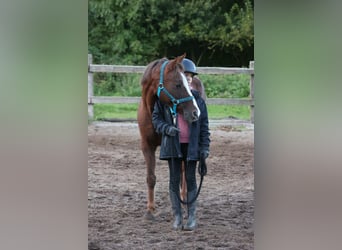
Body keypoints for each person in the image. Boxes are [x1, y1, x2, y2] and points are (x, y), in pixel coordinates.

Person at [152, 58, 210, 231]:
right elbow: (156, 120)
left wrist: (204, 147)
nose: (188, 77)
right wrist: (167, 129)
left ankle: (191, 217)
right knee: (174, 180)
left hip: (191, 147)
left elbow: (204, 126)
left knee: (191, 180)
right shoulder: (166, 98)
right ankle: (177, 216)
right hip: (173, 145)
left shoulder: (198, 100)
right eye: (185, 75)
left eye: (190, 75)